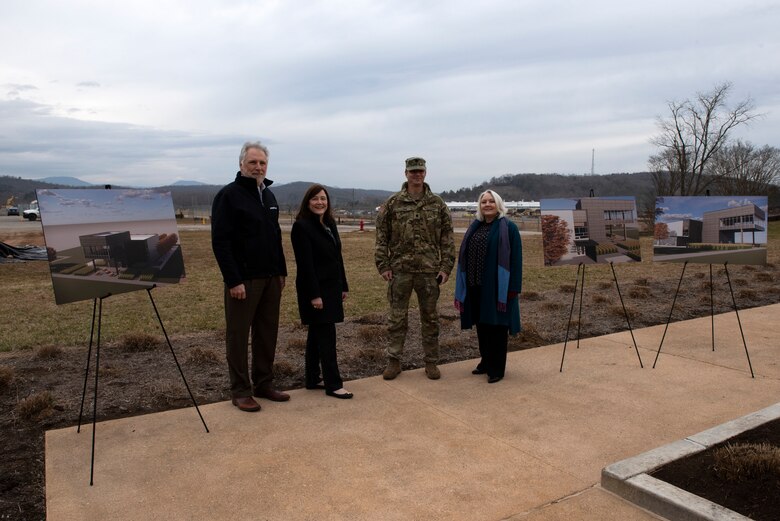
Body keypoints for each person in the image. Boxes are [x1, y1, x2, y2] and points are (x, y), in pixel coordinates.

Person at [211, 141, 290, 412]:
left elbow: (275, 237)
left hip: (270, 279)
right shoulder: (229, 196)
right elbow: (220, 242)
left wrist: (281, 271)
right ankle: (241, 390)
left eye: (262, 163)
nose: (258, 167)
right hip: (244, 281)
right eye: (253, 162)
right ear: (241, 164)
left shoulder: (268, 196)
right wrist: (233, 280)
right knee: (238, 335)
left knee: (266, 333)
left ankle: (264, 383)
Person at [375, 157, 455, 380]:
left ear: (425, 173)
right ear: (406, 174)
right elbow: (381, 236)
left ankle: (431, 362)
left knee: (430, 318)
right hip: (400, 270)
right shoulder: (393, 203)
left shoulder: (437, 204)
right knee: (397, 319)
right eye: (413, 172)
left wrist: (446, 266)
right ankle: (394, 361)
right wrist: (383, 265)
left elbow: (447, 238)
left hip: (429, 272)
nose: (416, 175)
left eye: (420, 171)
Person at [291, 184, 353, 399]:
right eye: (315, 199)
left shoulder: (329, 224)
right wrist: (314, 295)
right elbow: (305, 265)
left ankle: (312, 377)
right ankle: (333, 384)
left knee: (316, 335)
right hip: (315, 290)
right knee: (326, 337)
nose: (320, 202)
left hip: (332, 287)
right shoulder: (302, 227)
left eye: (323, 199)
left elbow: (338, 258)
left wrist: (343, 285)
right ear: (308, 202)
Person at [454, 190, 522, 383]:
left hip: (497, 288)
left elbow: (516, 260)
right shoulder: (475, 227)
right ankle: (485, 361)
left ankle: (497, 368)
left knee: (497, 327)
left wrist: (513, 287)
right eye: (484, 201)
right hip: (475, 286)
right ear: (479, 206)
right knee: (482, 326)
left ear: (498, 204)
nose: (487, 204)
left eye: (492, 201)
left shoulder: (509, 228)